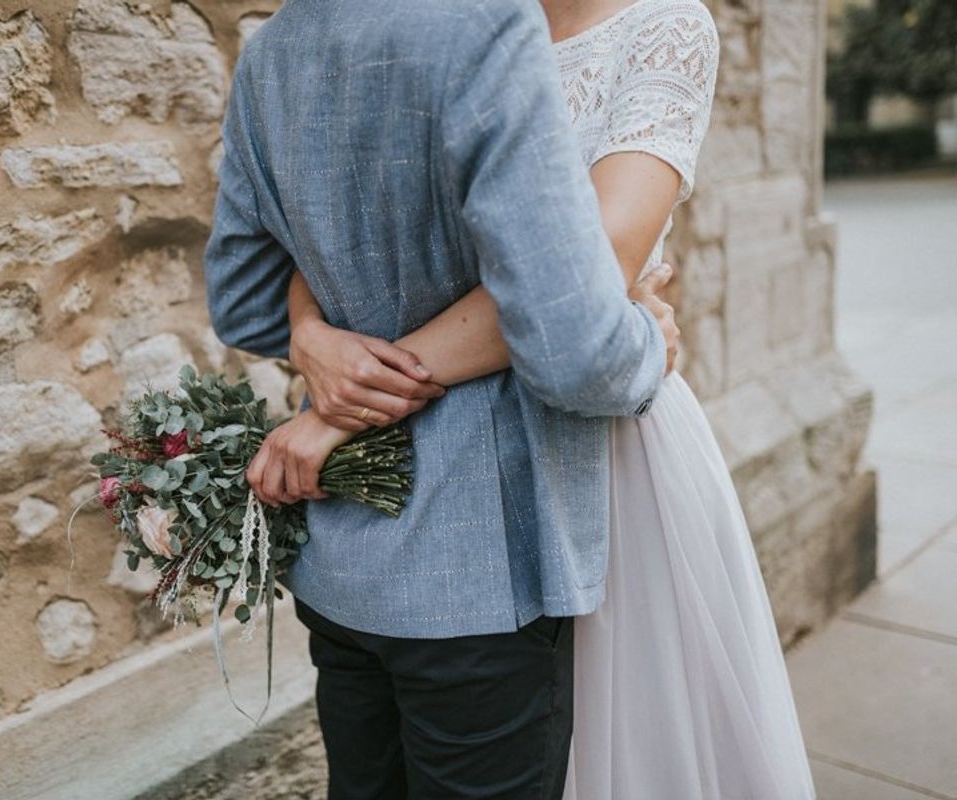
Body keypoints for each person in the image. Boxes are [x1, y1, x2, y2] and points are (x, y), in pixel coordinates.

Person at [243, 0, 819, 798]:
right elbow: (334, 220)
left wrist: (340, 406)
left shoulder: (663, 27)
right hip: (403, 511)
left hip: (590, 458)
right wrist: (311, 335)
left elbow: (586, 272)